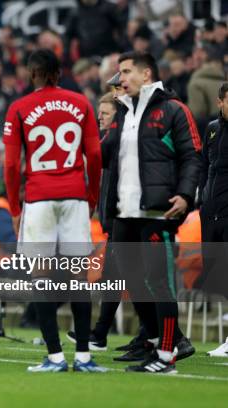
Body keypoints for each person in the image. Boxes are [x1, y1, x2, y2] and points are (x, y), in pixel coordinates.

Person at [3, 49, 104, 372]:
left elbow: (9, 164)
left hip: (39, 197)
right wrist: (91, 197)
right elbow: (95, 156)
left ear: (30, 74)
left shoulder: (19, 108)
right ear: (59, 73)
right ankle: (85, 357)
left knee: (41, 277)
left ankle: (56, 357)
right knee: (78, 277)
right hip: (74, 195)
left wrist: (15, 208)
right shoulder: (81, 103)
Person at [101, 51, 200, 373]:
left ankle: (168, 355)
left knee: (160, 282)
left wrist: (185, 195)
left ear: (146, 75)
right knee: (132, 279)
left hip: (158, 210)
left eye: (126, 71)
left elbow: (192, 156)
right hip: (124, 211)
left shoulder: (173, 110)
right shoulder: (123, 112)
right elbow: (105, 155)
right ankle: (159, 341)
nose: (120, 78)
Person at [199, 82, 228, 358]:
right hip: (211, 210)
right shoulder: (211, 129)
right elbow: (203, 165)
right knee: (216, 275)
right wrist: (201, 200)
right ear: (220, 102)